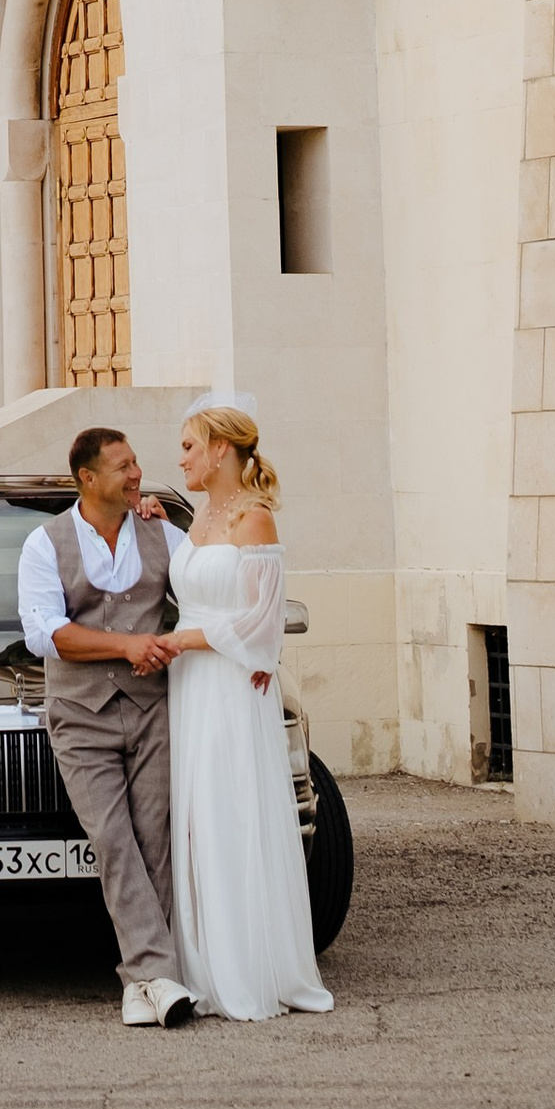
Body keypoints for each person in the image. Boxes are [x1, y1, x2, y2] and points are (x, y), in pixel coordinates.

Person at [159, 395, 333, 1021]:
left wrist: (186, 639)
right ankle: (203, 961)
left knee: (234, 810)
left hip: (231, 684)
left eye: (187, 446)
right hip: (191, 688)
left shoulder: (255, 520)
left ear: (221, 450)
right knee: (199, 815)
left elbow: (262, 626)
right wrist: (154, 520)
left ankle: (249, 967)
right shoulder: (201, 519)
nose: (179, 458)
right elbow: (199, 572)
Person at [18, 425, 195, 1027]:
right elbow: (46, 633)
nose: (136, 473)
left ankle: (145, 986)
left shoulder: (161, 530)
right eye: (123, 467)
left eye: (136, 462)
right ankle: (157, 974)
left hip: (154, 711)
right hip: (81, 719)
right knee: (114, 842)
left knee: (156, 843)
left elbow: (207, 584)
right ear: (87, 479)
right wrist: (126, 646)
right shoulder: (44, 544)